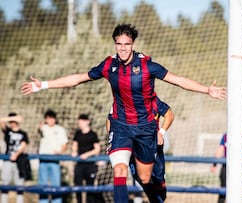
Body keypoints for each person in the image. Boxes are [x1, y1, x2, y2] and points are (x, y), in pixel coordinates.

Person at [21, 23, 226, 203]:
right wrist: (44, 85)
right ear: (115, 45)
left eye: (126, 44)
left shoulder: (147, 66)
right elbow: (78, 78)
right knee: (119, 170)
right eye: (119, 44)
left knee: (145, 179)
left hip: (146, 128)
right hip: (120, 127)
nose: (123, 48)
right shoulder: (108, 65)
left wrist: (206, 89)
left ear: (133, 45)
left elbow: (179, 80)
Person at [38, 109, 68, 203]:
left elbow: (64, 145)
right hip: (43, 160)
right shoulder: (43, 128)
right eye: (48, 118)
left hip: (54, 160)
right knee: (42, 185)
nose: (50, 120)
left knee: (56, 186)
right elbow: (39, 128)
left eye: (52, 118)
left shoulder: (60, 129)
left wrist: (60, 152)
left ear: (55, 119)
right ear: (45, 119)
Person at [0, 113, 29, 203]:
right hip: (8, 161)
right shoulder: (7, 131)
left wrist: (16, 154)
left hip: (19, 162)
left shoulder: (23, 133)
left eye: (15, 121)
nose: (13, 122)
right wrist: (12, 117)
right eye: (11, 121)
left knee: (19, 185)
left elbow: (24, 145)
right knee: (5, 184)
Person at [71, 114, 101, 203]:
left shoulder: (93, 135)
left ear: (88, 122)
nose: (80, 123)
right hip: (79, 164)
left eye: (82, 121)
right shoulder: (77, 134)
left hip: (90, 165)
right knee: (78, 186)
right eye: (79, 121)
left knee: (90, 187)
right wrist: (74, 152)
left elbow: (97, 149)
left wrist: (87, 155)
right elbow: (74, 146)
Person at [210, 133, 227, 203]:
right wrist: (214, 164)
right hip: (226, 167)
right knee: (223, 191)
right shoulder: (226, 136)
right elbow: (220, 150)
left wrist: (214, 164)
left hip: (238, 167)